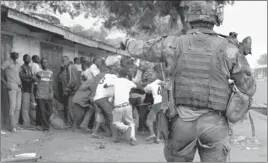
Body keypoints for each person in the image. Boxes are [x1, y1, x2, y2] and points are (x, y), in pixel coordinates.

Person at [121, 1, 256, 161]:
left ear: (190, 18)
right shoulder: (229, 49)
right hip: (215, 125)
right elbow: (249, 88)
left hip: (181, 123)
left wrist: (127, 41)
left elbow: (141, 49)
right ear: (215, 19)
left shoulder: (173, 43)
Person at [103, 69, 138, 146]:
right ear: (126, 75)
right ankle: (133, 138)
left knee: (116, 122)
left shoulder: (116, 80)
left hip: (118, 106)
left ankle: (125, 128)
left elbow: (105, 85)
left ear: (119, 74)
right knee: (131, 122)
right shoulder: (129, 82)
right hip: (127, 105)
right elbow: (136, 86)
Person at [92, 72, 118, 139]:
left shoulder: (106, 76)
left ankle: (94, 132)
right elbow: (111, 95)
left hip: (96, 98)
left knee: (101, 115)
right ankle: (114, 136)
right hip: (102, 98)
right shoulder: (114, 78)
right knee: (112, 116)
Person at [1, 52, 22, 132]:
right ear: (11, 54)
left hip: (19, 87)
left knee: (18, 107)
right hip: (11, 86)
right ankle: (12, 126)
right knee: (12, 106)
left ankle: (15, 125)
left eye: (18, 54)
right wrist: (5, 83)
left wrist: (20, 83)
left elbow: (18, 74)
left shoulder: (18, 64)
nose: (17, 55)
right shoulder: (7, 62)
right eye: (16, 53)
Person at [142, 69, 163, 144]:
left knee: (149, 121)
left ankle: (152, 134)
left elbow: (145, 90)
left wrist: (147, 82)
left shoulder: (150, 85)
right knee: (158, 122)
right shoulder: (161, 82)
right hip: (165, 104)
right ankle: (157, 139)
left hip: (157, 104)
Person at [60, 56, 80, 126]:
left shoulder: (71, 67)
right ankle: (71, 123)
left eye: (64, 61)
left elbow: (73, 80)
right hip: (71, 91)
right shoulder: (67, 69)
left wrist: (67, 88)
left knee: (71, 108)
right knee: (70, 107)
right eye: (62, 61)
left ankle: (74, 123)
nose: (63, 63)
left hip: (73, 91)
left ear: (68, 60)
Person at [35, 58, 53, 131]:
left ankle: (45, 123)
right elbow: (35, 82)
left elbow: (51, 83)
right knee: (42, 111)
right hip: (40, 95)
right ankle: (45, 127)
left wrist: (51, 92)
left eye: (46, 62)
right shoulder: (38, 72)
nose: (45, 64)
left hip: (48, 95)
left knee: (50, 111)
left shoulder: (50, 73)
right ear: (41, 64)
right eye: (43, 62)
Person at [19, 54, 34, 127]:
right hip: (25, 89)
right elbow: (22, 77)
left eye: (30, 58)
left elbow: (31, 77)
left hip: (30, 89)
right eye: (28, 58)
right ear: (24, 59)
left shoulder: (30, 68)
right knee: (25, 106)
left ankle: (28, 121)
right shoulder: (22, 68)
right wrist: (31, 78)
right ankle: (26, 123)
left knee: (29, 106)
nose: (29, 60)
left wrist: (30, 78)